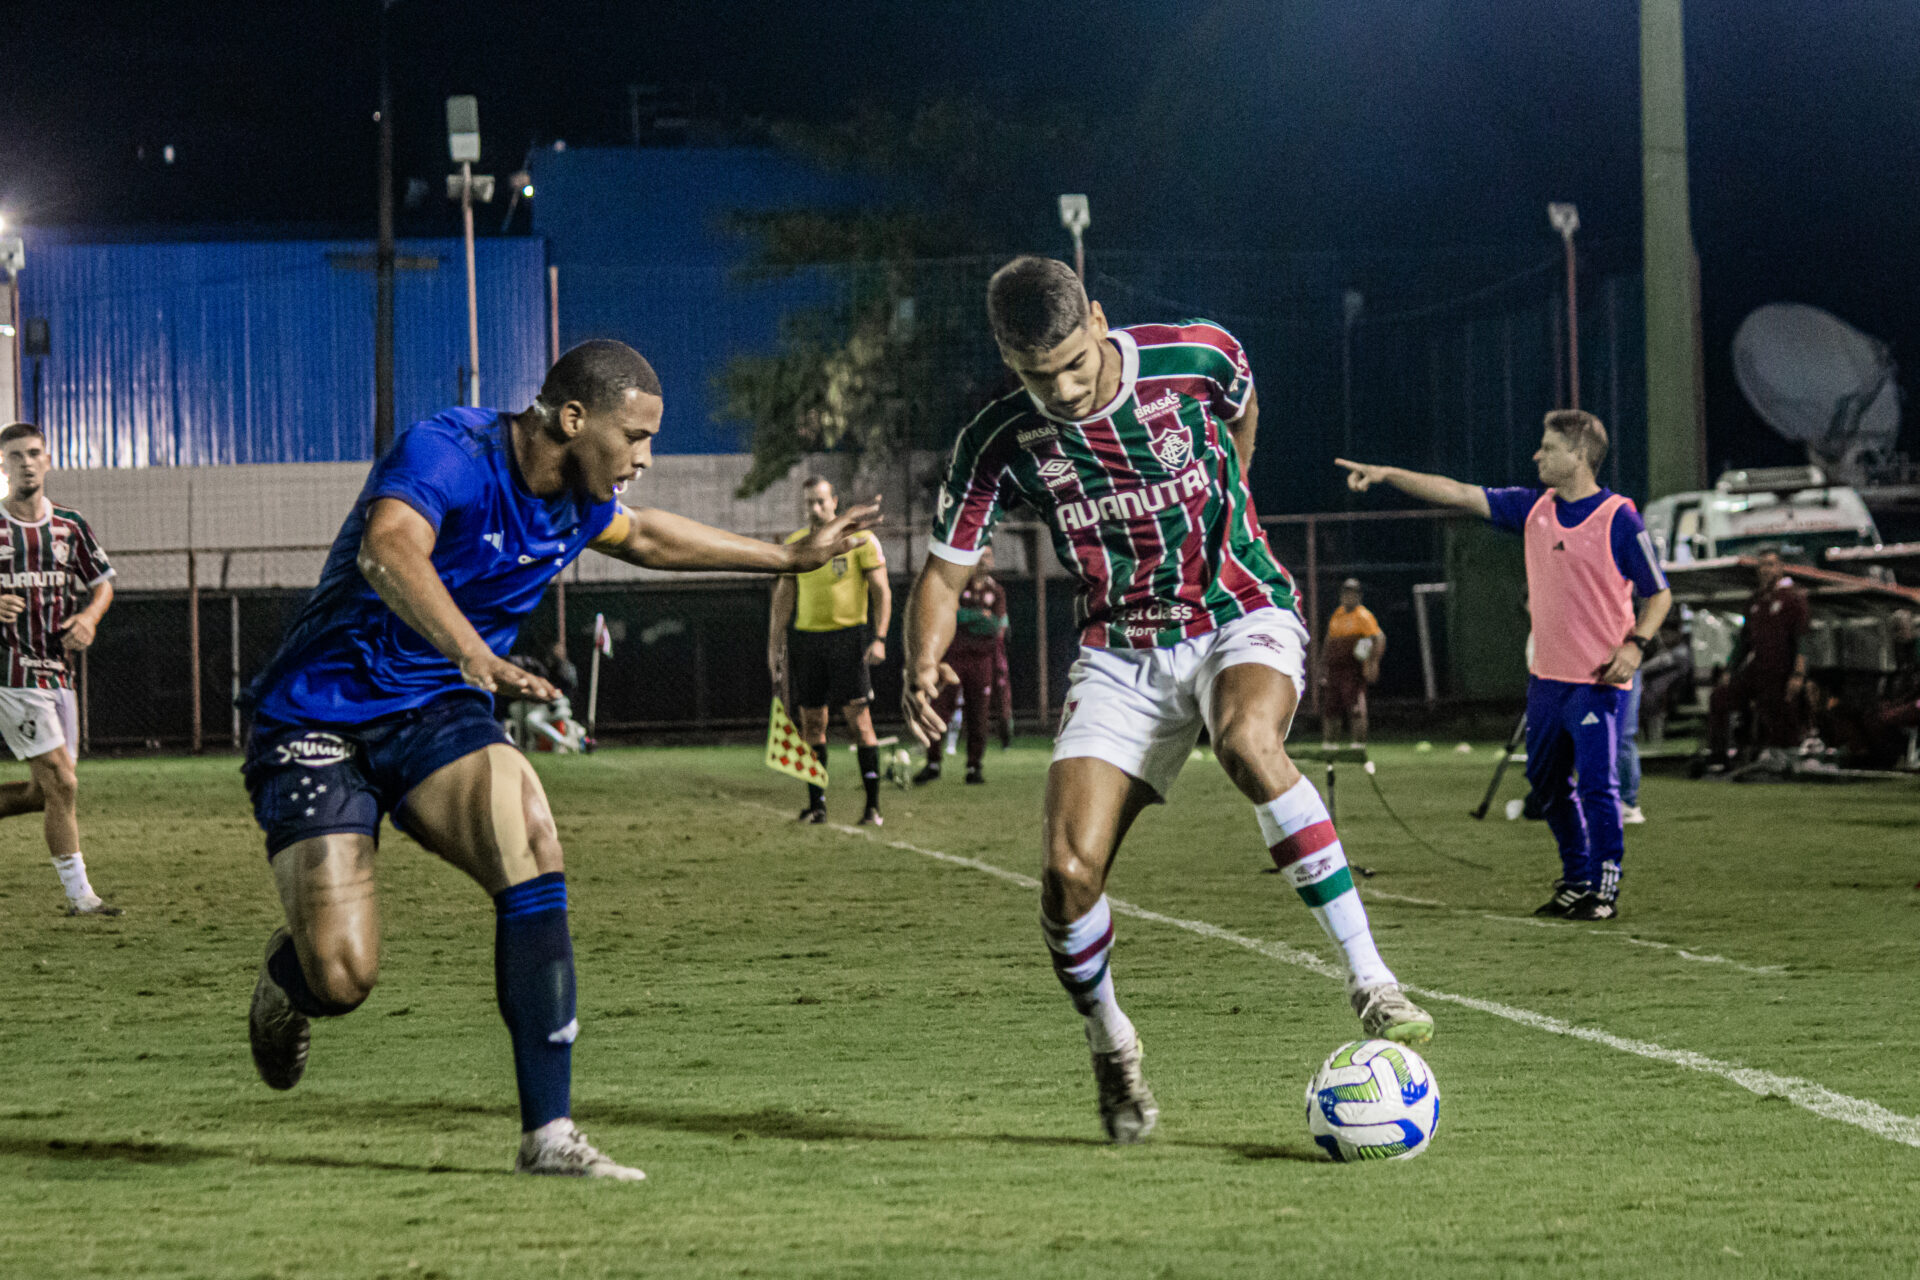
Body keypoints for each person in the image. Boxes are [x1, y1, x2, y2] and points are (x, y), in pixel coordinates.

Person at [240, 340, 874, 1180]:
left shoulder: (580, 497)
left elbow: (647, 538)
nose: (644, 459)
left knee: (532, 838)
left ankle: (549, 1134)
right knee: (344, 973)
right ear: (572, 419)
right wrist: (474, 653)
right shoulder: (450, 450)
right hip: (318, 716)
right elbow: (388, 550)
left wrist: (788, 556)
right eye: (636, 436)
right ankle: (289, 983)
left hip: (435, 715)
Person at [904, 256, 1431, 1145]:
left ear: (1099, 319)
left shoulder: (1197, 357)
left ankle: (1371, 979)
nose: (1064, 389)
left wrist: (1240, 495)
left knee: (1247, 744)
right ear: (1009, 362)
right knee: (1068, 877)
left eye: (1075, 363)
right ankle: (1111, 1041)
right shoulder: (995, 442)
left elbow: (1243, 408)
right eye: (1039, 376)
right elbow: (944, 574)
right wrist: (922, 661)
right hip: (1120, 652)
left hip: (1238, 610)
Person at [1339, 408, 1672, 920]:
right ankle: (1576, 876)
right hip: (1546, 682)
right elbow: (1456, 492)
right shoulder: (1532, 508)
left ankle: (1604, 888)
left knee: (1598, 786)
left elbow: (1659, 595)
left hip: (1596, 683)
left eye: (1549, 447)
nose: (1537, 455)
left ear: (1580, 455)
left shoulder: (1619, 517)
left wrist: (1635, 647)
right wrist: (1388, 476)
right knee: (1545, 782)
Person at [0, 422, 118, 916]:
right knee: (63, 785)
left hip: (58, 672)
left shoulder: (70, 525)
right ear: (3, 466)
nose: (27, 462)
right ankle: (82, 899)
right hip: (11, 673)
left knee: (43, 791)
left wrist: (89, 618)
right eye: (16, 456)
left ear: (47, 460)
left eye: (34, 453)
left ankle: (80, 897)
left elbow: (103, 584)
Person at [767, 477, 891, 826]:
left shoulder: (860, 540)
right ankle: (817, 805)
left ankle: (872, 807)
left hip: (848, 639)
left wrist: (879, 637)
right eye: (809, 503)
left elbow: (882, 591)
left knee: (860, 722)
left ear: (835, 501)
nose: (815, 508)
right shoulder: (796, 544)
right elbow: (782, 602)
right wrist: (774, 646)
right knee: (812, 724)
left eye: (821, 501)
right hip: (808, 642)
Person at [1705, 549, 1809, 770]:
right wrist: (1730, 670)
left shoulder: (1793, 599)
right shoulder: (1755, 602)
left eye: (1770, 565)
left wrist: (1798, 674)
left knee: (1776, 707)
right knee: (1720, 697)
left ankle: (1782, 757)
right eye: (1761, 565)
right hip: (1757, 668)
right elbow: (1743, 642)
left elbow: (1802, 640)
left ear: (1780, 568)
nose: (1765, 570)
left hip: (1782, 669)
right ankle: (1718, 755)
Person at [914, 544, 1009, 784]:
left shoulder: (996, 591)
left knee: (979, 714)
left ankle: (974, 767)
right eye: (979, 556)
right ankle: (933, 762)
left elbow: (995, 625)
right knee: (939, 709)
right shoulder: (958, 587)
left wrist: (971, 619)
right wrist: (978, 617)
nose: (983, 561)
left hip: (982, 660)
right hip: (954, 657)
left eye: (988, 556)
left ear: (993, 561)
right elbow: (952, 616)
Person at [1320, 577, 1383, 749]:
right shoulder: (1337, 614)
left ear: (1358, 596)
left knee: (1355, 706)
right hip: (1335, 668)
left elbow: (1377, 638)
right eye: (1346, 593)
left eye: (1352, 594)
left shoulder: (1363, 615)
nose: (1349, 597)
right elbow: (1329, 640)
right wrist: (1323, 665)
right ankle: (1330, 744)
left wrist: (1373, 663)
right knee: (1331, 707)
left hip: (1352, 668)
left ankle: (1358, 744)